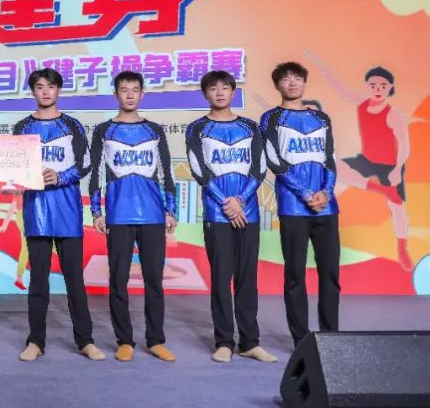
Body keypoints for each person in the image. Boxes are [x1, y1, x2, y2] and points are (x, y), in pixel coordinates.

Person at [185, 71, 277, 363]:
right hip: (217, 213)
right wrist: (227, 204)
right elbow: (200, 170)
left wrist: (241, 202)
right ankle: (224, 341)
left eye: (225, 87)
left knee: (247, 279)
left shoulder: (250, 127)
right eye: (213, 88)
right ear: (205, 94)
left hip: (247, 213)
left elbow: (258, 168)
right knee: (222, 278)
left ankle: (250, 342)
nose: (220, 92)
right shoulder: (197, 128)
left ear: (233, 92)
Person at [14, 69, 104, 362]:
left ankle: (85, 341)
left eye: (50, 86)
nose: (45, 92)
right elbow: (14, 168)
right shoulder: (22, 127)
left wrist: (61, 176)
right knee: (38, 280)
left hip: (67, 211)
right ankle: (35, 341)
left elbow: (86, 164)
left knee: (74, 280)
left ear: (58, 90)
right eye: (39, 87)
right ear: (33, 91)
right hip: (36, 211)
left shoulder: (72, 125)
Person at [89, 70, 177, 363]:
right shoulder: (104, 130)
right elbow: (95, 173)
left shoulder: (154, 130)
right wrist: (97, 211)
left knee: (154, 281)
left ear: (142, 94)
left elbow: (166, 171)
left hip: (152, 215)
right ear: (115, 94)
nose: (129, 94)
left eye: (134, 89)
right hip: (118, 215)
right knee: (118, 280)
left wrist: (171, 209)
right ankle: (124, 340)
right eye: (124, 89)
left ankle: (155, 340)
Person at [260, 61, 340, 347]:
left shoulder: (321, 118)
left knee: (330, 274)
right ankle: (301, 339)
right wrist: (306, 194)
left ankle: (331, 336)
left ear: (305, 83)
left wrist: (326, 192)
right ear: (277, 85)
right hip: (293, 207)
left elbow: (329, 158)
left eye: (297, 78)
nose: (292, 83)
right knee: (295, 274)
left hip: (326, 207)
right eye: (285, 79)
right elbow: (274, 161)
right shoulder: (271, 118)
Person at [315, 64, 411, 270]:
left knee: (397, 207)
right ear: (367, 86)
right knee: (335, 167)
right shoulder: (361, 104)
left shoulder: (394, 115)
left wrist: (397, 170)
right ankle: (380, 189)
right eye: (373, 85)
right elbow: (342, 90)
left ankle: (402, 247)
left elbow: (404, 145)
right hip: (367, 160)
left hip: (390, 166)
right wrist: (328, 74)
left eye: (382, 86)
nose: (377, 89)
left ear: (390, 88)